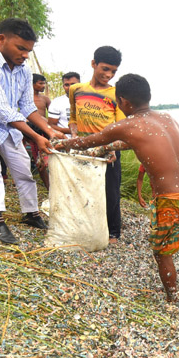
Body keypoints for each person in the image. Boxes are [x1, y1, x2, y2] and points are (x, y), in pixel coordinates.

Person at [57, 74, 179, 301]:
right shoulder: (167, 118)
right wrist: (107, 149)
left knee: (162, 252)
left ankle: (172, 299)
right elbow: (141, 141)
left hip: (174, 199)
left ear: (123, 101)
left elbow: (86, 141)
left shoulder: (127, 124)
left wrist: (61, 143)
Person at [0, 18, 64, 244]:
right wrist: (36, 135)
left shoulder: (24, 71)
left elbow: (27, 107)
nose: (25, 55)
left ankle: (31, 213)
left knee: (24, 170)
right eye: (21, 48)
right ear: (1, 40)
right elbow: (3, 109)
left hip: (7, 127)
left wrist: (49, 130)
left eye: (29, 50)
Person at [69, 46, 125, 243]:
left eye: (113, 71)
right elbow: (73, 117)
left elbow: (119, 127)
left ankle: (113, 232)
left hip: (108, 151)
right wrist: (75, 137)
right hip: (83, 150)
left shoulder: (117, 94)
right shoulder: (77, 90)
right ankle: (88, 227)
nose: (108, 75)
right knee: (83, 189)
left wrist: (112, 149)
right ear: (93, 64)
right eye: (105, 69)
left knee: (110, 193)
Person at [22, 72, 50, 188]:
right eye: (40, 83)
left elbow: (52, 116)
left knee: (45, 156)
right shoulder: (24, 98)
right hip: (27, 129)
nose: (43, 86)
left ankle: (50, 184)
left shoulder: (45, 99)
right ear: (32, 84)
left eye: (44, 83)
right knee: (29, 155)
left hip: (42, 129)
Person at [47, 71, 79, 137]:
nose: (70, 87)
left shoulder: (89, 101)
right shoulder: (57, 102)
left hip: (89, 141)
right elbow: (51, 125)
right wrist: (74, 131)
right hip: (65, 141)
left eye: (73, 84)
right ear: (63, 86)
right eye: (67, 85)